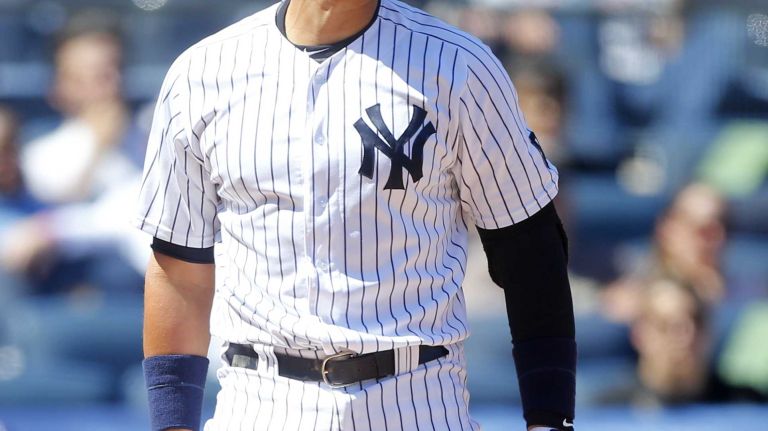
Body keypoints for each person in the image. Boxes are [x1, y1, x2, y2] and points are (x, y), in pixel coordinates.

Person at [135, 1, 576, 430]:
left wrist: (549, 418)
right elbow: (180, 266)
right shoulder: (203, 72)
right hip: (257, 396)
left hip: (413, 395)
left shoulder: (458, 65)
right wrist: (172, 422)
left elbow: (530, 250)